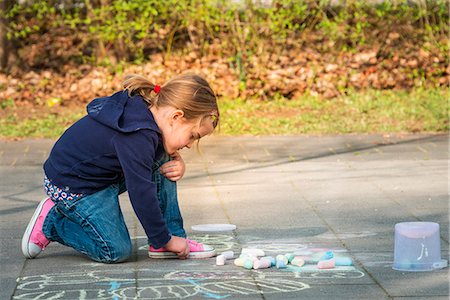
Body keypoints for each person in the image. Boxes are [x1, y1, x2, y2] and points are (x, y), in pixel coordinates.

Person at [21, 73, 220, 263]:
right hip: (74, 187)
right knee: (115, 250)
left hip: (98, 175)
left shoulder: (148, 114)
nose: (190, 145)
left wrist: (177, 162)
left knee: (165, 160)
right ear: (176, 116)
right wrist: (163, 237)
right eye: (193, 136)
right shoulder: (137, 135)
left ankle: (167, 241)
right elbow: (141, 193)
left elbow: (154, 157)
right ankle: (52, 222)